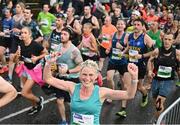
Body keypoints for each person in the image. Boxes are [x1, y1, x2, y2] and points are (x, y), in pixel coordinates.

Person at [44, 58, 138, 124]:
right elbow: (48, 79)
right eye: (84, 74)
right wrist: (49, 63)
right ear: (79, 75)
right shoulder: (72, 87)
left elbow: (129, 95)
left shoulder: (101, 92)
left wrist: (134, 78)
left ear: (96, 76)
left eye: (91, 75)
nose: (87, 78)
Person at [147, 32, 180, 123]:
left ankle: (160, 122)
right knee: (156, 104)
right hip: (156, 80)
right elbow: (150, 61)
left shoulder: (177, 53)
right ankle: (158, 118)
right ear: (162, 39)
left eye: (169, 40)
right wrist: (150, 71)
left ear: (173, 41)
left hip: (168, 81)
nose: (167, 41)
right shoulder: (157, 51)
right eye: (165, 39)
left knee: (158, 104)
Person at [13, 27, 47, 115]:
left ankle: (39, 100)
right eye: (21, 33)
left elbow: (46, 53)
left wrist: (37, 57)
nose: (23, 34)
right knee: (28, 91)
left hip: (34, 71)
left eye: (25, 33)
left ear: (30, 34)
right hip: (25, 69)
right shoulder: (20, 44)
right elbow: (15, 60)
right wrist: (17, 56)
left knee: (24, 93)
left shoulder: (35, 45)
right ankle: (35, 106)